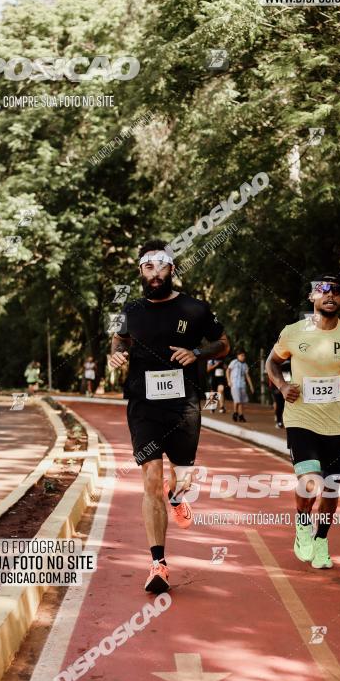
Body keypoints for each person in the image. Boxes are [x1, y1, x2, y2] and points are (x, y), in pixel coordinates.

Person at [109, 239, 230, 594]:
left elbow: (223, 344)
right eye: (148, 267)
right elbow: (119, 340)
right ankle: (158, 563)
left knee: (183, 478)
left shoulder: (195, 309)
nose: (155, 273)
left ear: (172, 269)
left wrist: (196, 352)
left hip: (184, 404)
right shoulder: (130, 311)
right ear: (140, 271)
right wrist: (117, 354)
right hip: (143, 404)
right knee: (150, 479)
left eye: (161, 266)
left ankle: (177, 497)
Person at [266, 274, 340, 570]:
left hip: (337, 426)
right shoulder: (293, 332)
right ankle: (303, 524)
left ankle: (321, 538)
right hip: (301, 419)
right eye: (322, 289)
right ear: (311, 298)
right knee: (311, 482)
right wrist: (282, 385)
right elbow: (272, 362)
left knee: (330, 491)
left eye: (336, 290)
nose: (329, 294)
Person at [226, 349, 254, 422]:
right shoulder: (234, 362)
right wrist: (229, 381)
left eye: (244, 355)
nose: (243, 357)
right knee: (237, 400)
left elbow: (247, 376)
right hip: (234, 384)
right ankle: (235, 413)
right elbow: (227, 371)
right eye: (242, 355)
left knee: (241, 401)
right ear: (238, 356)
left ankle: (240, 415)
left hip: (242, 385)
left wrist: (251, 386)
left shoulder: (245, 365)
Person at [269, 359, 291, 428]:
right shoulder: (274, 362)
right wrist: (276, 387)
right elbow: (272, 376)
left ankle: (284, 420)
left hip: (287, 387)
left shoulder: (289, 363)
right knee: (279, 405)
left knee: (285, 405)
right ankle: (279, 421)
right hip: (277, 387)